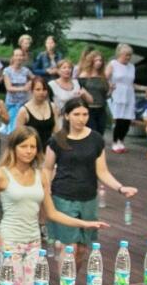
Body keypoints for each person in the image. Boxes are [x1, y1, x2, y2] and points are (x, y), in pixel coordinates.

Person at [0, 126, 105, 285]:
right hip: (9, 241)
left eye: (33, 146)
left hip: (34, 242)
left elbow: (52, 213)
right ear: (13, 148)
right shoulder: (0, 175)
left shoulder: (40, 175)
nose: (29, 151)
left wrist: (84, 223)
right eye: (23, 146)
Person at [45, 98, 136, 264]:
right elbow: (47, 168)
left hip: (88, 198)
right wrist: (46, 190)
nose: (81, 118)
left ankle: (71, 277)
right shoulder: (57, 140)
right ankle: (66, 281)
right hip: (63, 196)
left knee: (82, 248)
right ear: (67, 116)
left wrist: (120, 188)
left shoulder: (95, 139)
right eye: (76, 114)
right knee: (69, 247)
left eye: (85, 114)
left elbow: (102, 171)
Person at [105, 44, 137, 153]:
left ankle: (121, 140)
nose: (128, 57)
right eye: (126, 55)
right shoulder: (113, 64)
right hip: (117, 92)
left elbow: (131, 82)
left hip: (129, 93)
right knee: (119, 119)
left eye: (130, 55)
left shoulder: (132, 66)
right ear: (119, 54)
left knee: (127, 120)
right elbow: (105, 77)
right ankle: (115, 142)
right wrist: (109, 84)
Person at [77, 49, 110, 140]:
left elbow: (105, 95)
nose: (99, 63)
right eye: (96, 60)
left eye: (100, 60)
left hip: (101, 108)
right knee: (92, 133)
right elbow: (79, 91)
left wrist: (111, 90)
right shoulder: (84, 75)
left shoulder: (103, 76)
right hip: (89, 109)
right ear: (91, 61)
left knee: (100, 133)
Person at [2, 49, 32, 130]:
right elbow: (8, 88)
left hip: (24, 102)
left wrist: (30, 83)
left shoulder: (26, 70)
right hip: (12, 102)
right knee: (12, 127)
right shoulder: (7, 71)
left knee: (22, 126)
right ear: (13, 57)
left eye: (21, 55)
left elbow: (35, 79)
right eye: (16, 55)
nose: (19, 57)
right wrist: (23, 88)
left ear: (23, 57)